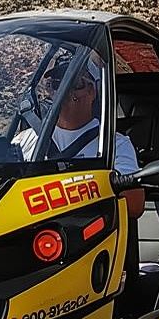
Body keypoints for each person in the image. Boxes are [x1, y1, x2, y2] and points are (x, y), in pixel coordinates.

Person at [12, 58, 145, 218]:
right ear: (50, 92)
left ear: (92, 91)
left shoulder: (115, 144)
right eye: (58, 85)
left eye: (75, 84)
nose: (66, 92)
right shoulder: (26, 140)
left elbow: (135, 205)